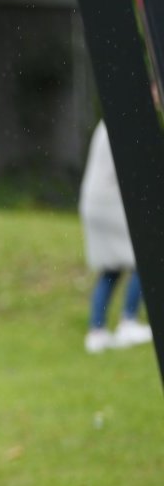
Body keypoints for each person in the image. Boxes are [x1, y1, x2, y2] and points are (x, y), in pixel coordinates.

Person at [79, 120, 153, 353]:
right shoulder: (127, 121)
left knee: (111, 268)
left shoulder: (109, 121)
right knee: (146, 257)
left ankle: (97, 332)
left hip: (96, 202)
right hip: (110, 202)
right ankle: (128, 321)